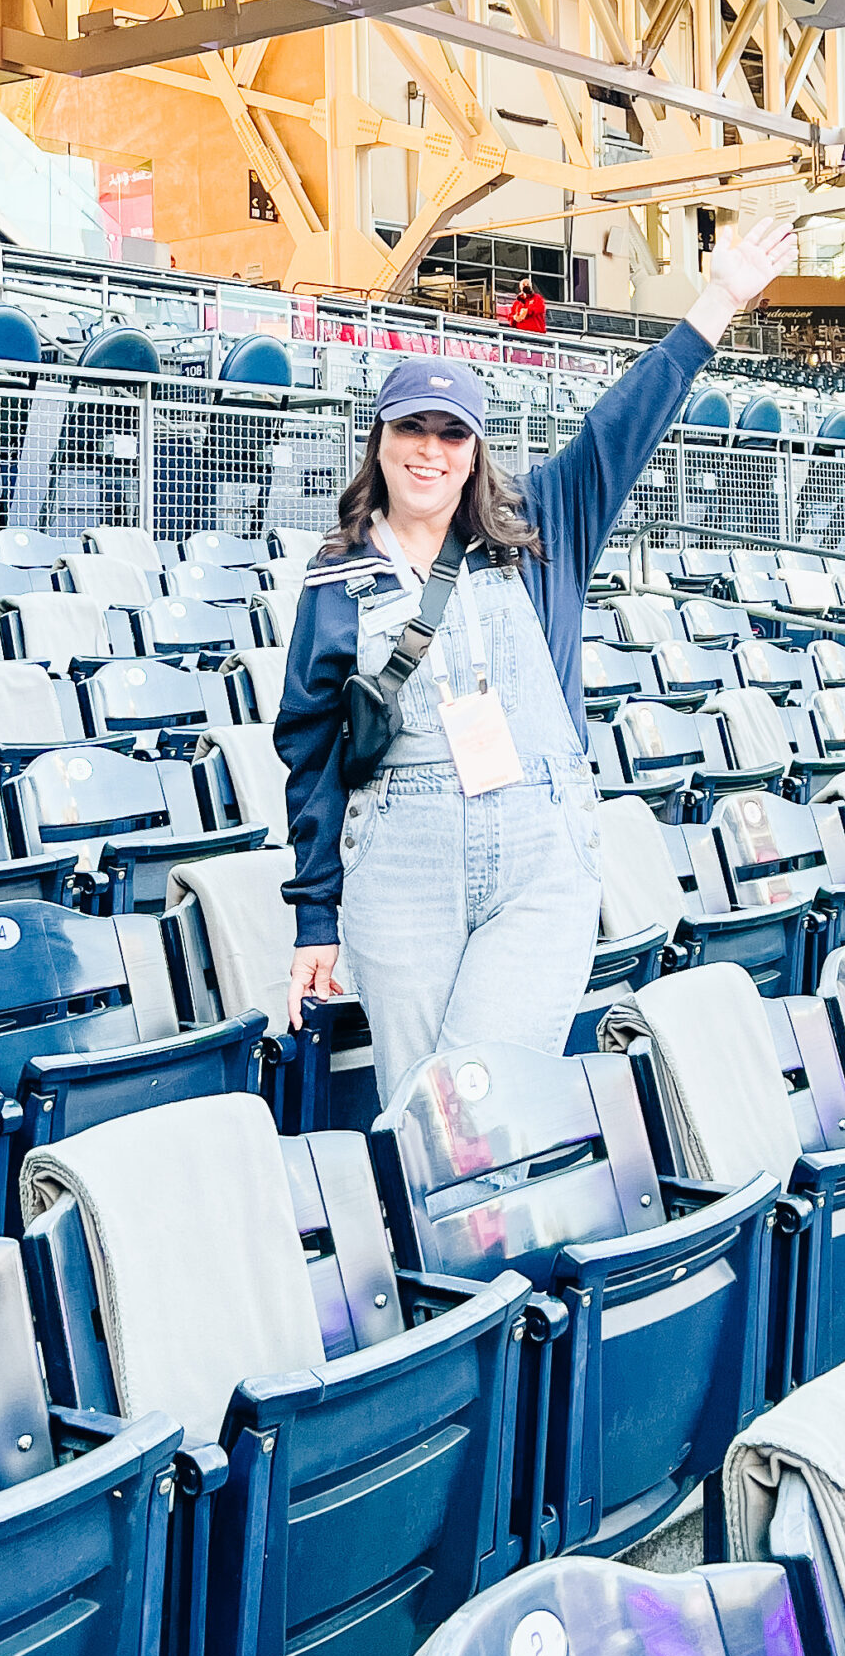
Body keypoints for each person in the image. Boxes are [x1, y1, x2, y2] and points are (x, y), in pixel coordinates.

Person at [274, 217, 799, 1104]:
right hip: (402, 857)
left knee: (488, 1096)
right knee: (419, 1107)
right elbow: (313, 755)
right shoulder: (338, 576)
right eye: (413, 428)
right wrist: (313, 918)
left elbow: (620, 429)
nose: (430, 451)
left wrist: (717, 302)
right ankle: (433, 1249)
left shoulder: (539, 524)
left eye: (452, 433)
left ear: (476, 447)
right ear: (381, 438)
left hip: (537, 849)